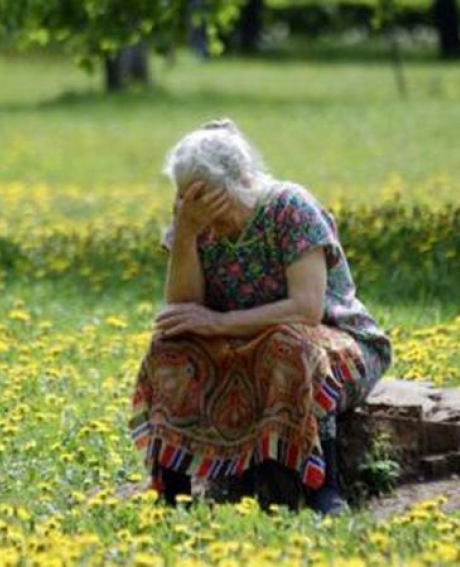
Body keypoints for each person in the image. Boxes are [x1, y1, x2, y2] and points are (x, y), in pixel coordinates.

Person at [130, 118, 392, 515]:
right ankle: (173, 492)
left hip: (334, 343)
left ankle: (322, 488)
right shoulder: (194, 220)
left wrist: (219, 324)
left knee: (287, 345)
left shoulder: (290, 208)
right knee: (169, 347)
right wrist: (184, 234)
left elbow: (307, 310)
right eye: (187, 200)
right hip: (245, 345)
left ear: (240, 183)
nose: (208, 219)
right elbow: (182, 309)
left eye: (211, 201)